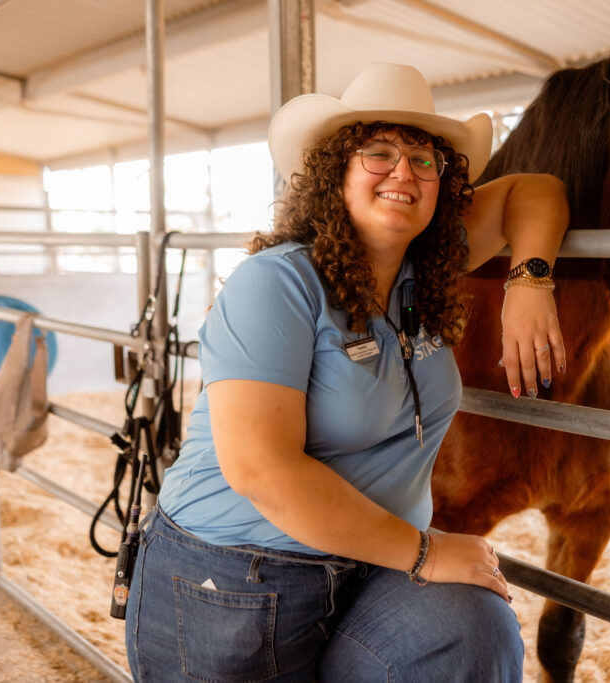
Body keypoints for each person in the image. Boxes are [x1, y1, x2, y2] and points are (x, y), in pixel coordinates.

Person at [124, 62, 569, 682]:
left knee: (476, 628)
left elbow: (537, 190)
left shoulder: (426, 265)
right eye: (379, 153)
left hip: (372, 568)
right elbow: (261, 469)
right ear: (336, 173)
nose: (403, 174)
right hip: (237, 576)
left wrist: (529, 281)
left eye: (424, 160)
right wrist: (425, 551)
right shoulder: (278, 282)